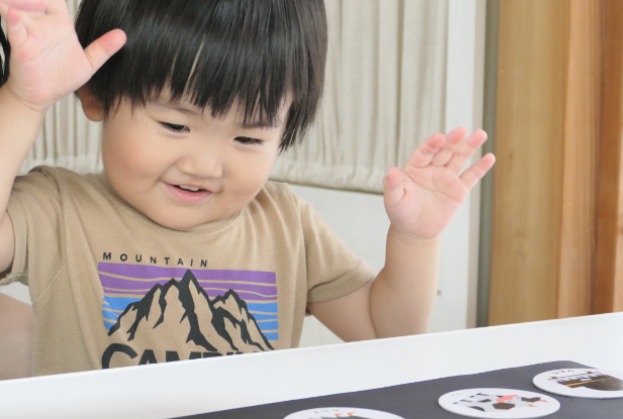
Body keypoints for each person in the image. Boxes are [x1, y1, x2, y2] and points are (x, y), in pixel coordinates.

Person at [0, 0, 495, 376]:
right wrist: (24, 102)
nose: (204, 166)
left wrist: (415, 239)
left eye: (248, 138)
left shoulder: (287, 224)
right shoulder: (56, 211)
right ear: (96, 95)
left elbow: (389, 335)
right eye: (175, 125)